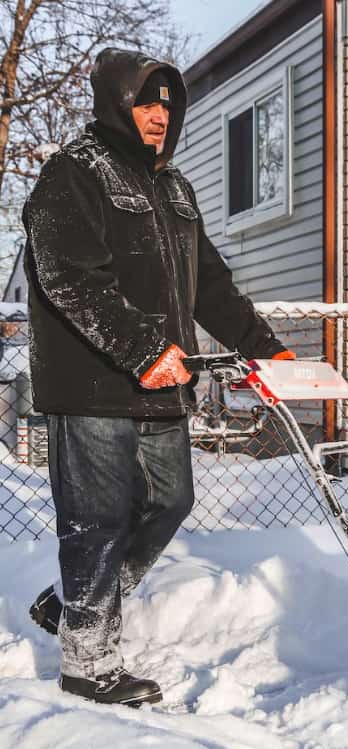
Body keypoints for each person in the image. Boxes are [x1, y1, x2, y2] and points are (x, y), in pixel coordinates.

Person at [22, 48, 294, 707]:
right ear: (116, 102)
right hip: (93, 385)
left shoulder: (175, 188)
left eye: (168, 106)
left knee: (169, 501)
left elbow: (211, 287)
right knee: (97, 519)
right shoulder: (72, 175)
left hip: (162, 384)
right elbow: (69, 278)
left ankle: (75, 605)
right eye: (146, 103)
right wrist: (144, 347)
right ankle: (88, 664)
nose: (158, 117)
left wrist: (266, 348)